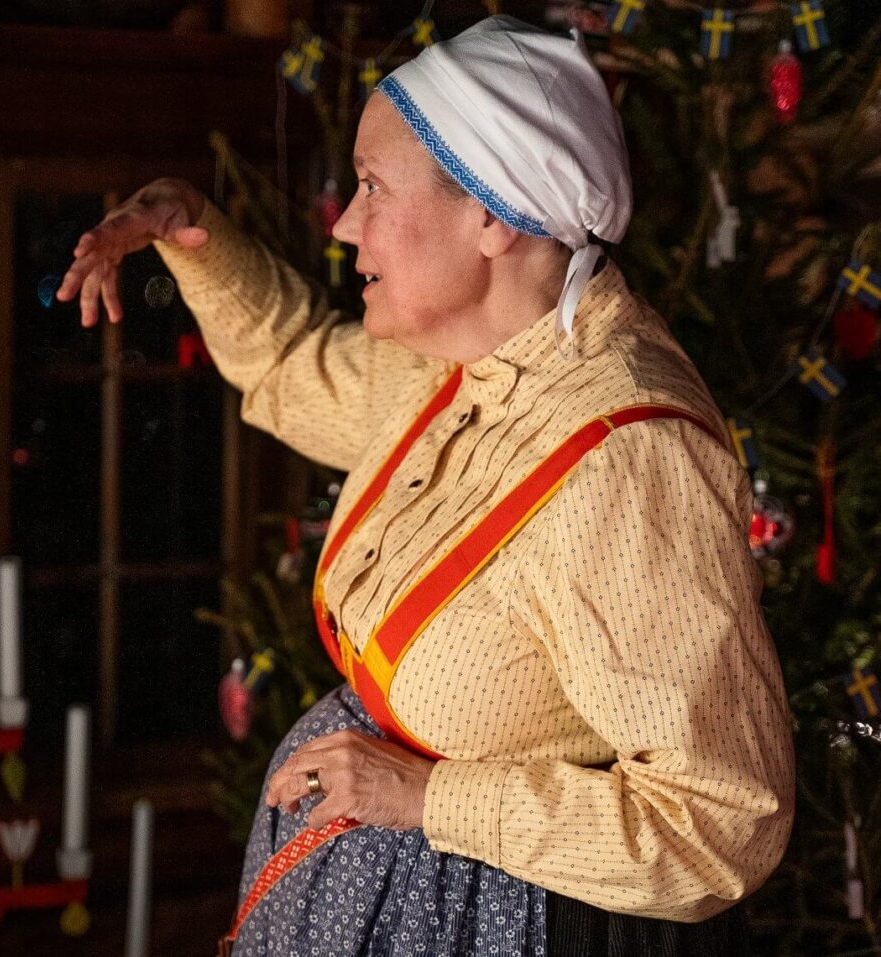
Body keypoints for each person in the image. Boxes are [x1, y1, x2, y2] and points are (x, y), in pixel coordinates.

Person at [57, 16, 795, 956]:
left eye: (371, 187)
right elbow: (296, 366)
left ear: (491, 214)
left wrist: (425, 795)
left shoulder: (626, 462)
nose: (344, 222)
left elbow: (726, 820)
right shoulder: (465, 353)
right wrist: (184, 232)